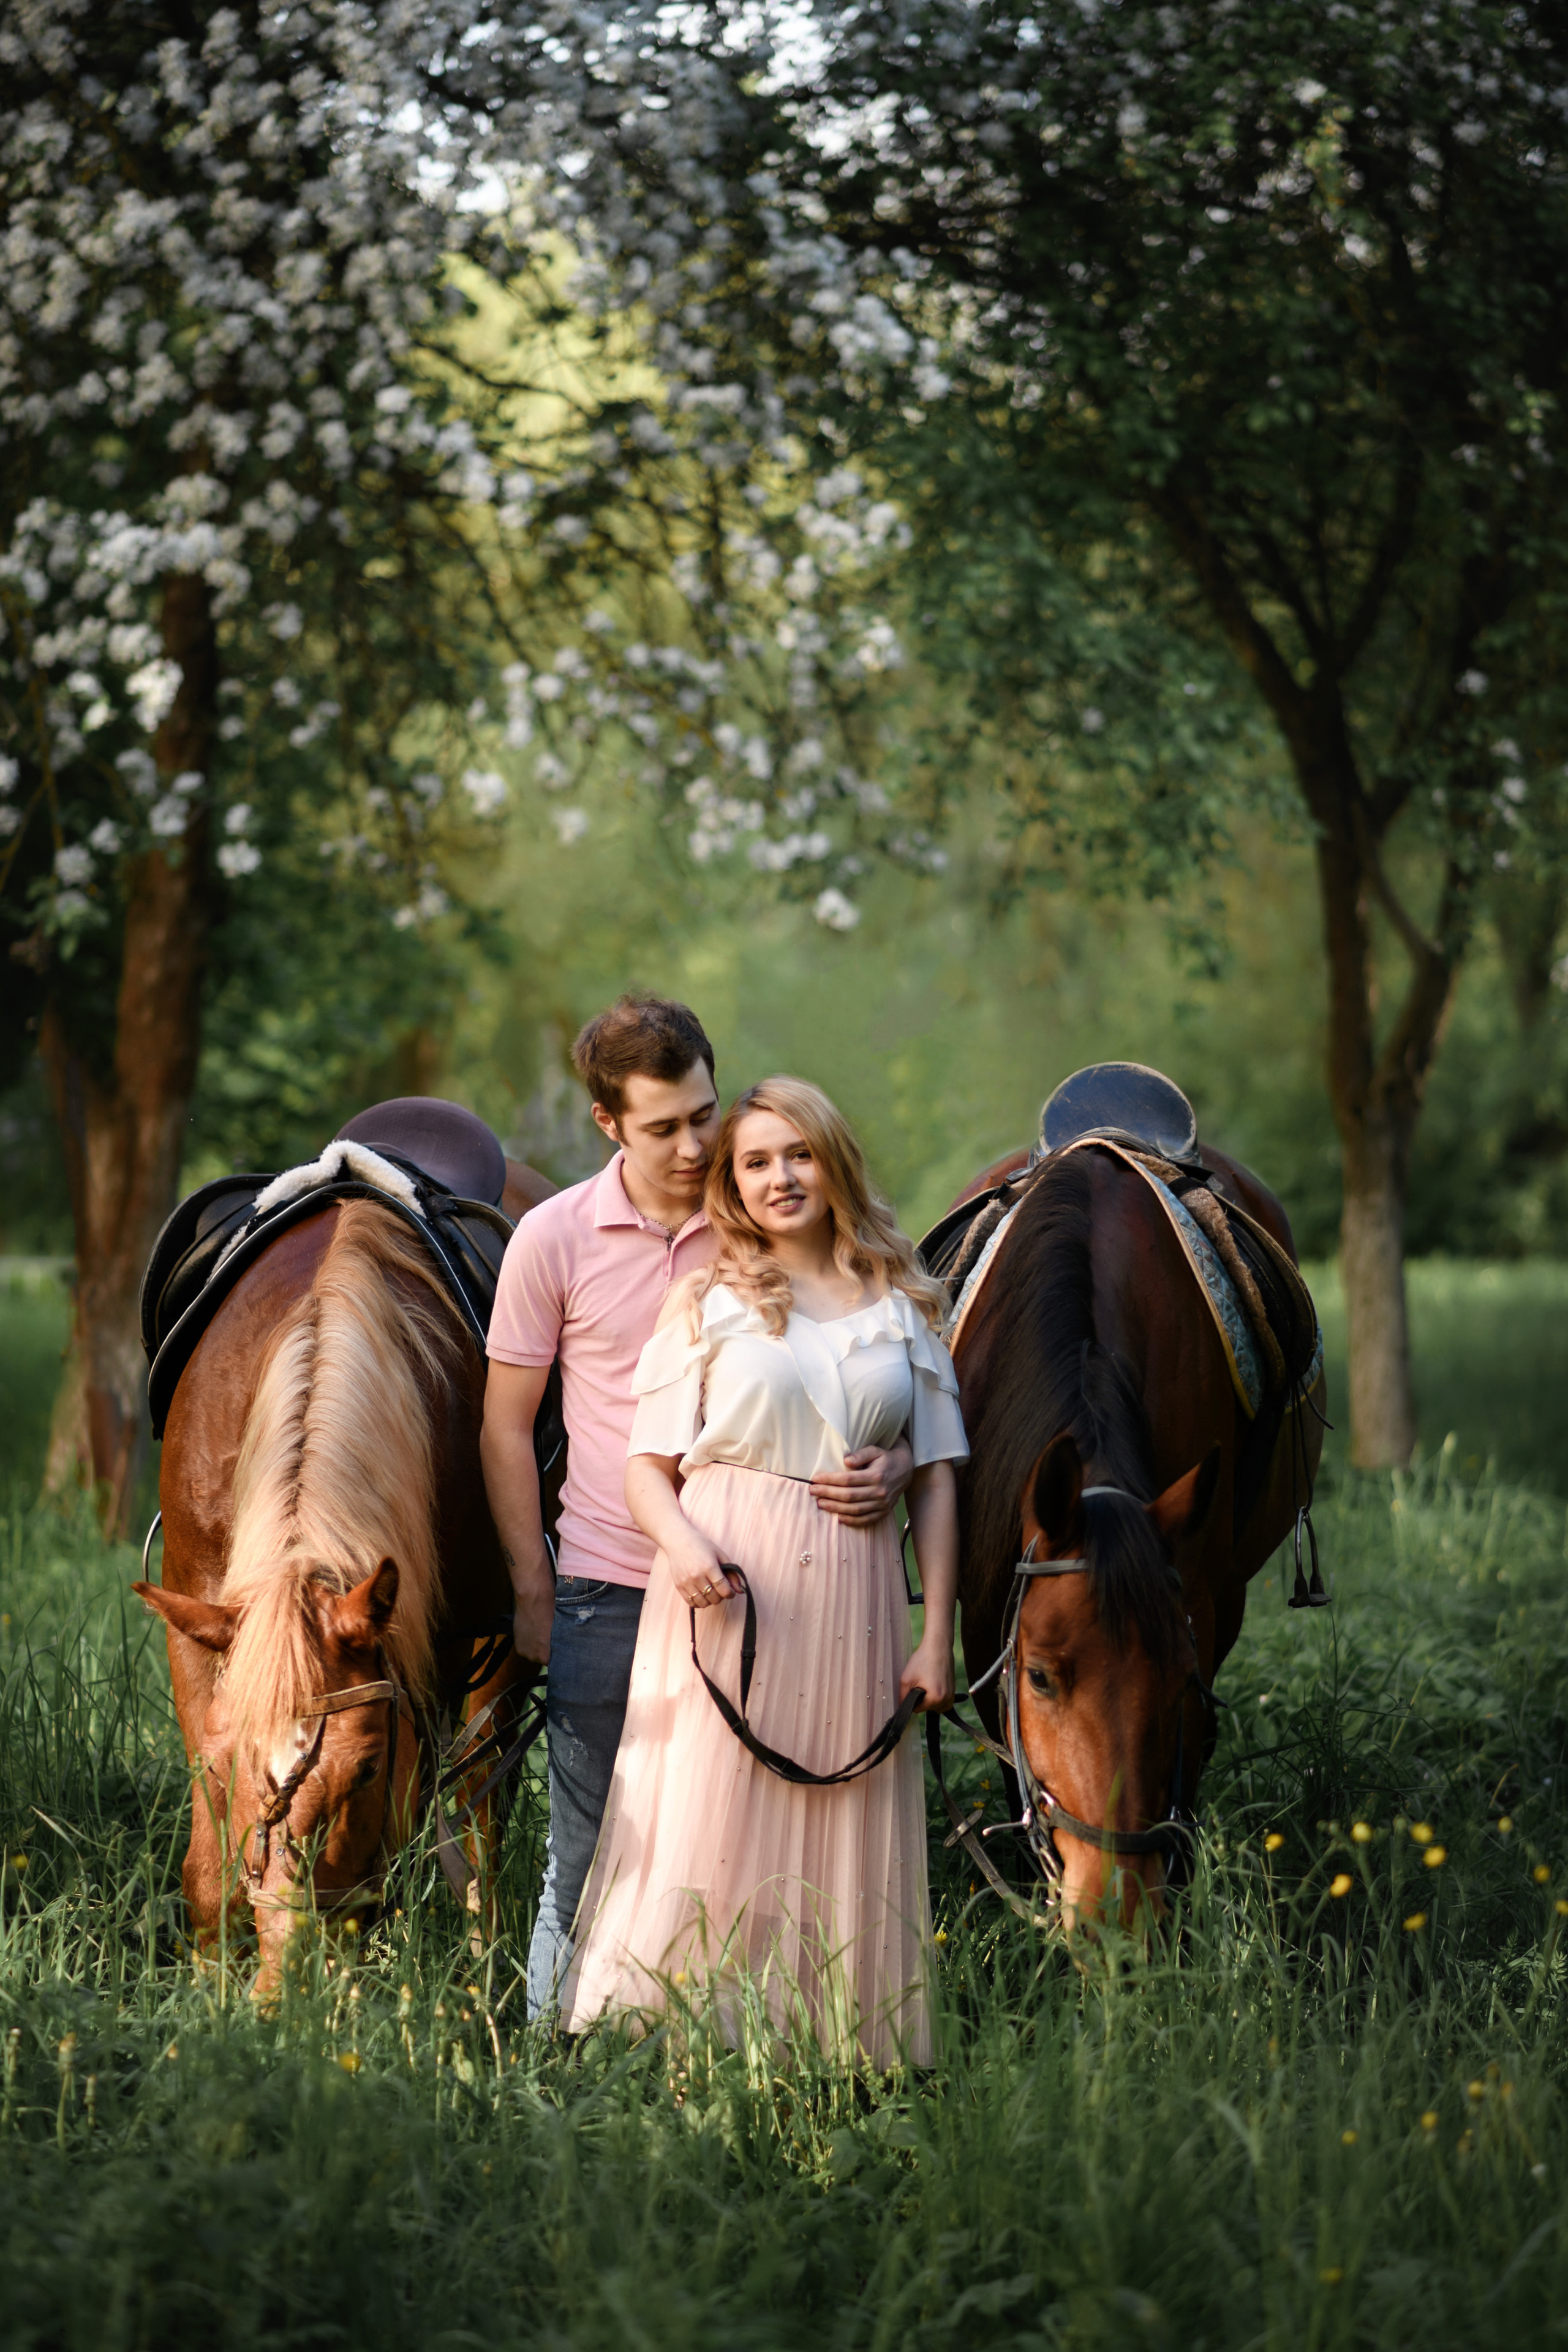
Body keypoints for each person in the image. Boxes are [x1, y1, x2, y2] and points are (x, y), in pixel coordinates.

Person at [480, 999, 913, 2022]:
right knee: (593, 1856)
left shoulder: (764, 1215)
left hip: (758, 1591)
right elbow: (505, 1427)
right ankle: (556, 2063)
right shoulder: (553, 1239)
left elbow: (869, 1364)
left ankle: (742, 2051)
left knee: (738, 1851)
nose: (693, 1146)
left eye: (704, 1115)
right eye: (663, 1127)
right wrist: (535, 1589)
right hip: (611, 1587)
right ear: (607, 1123)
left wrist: (895, 1463)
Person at [560, 1077, 966, 2068]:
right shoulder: (708, 1301)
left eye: (799, 1154)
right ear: (734, 1185)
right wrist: (686, 1548)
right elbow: (647, 1470)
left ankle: (829, 2047)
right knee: (710, 1818)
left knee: (837, 1813)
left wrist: (937, 1637)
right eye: (756, 1162)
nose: (781, 1177)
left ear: (833, 1163)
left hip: (855, 1593)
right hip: (730, 1588)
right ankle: (675, 2048)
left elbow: (938, 1475)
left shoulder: (903, 1298)